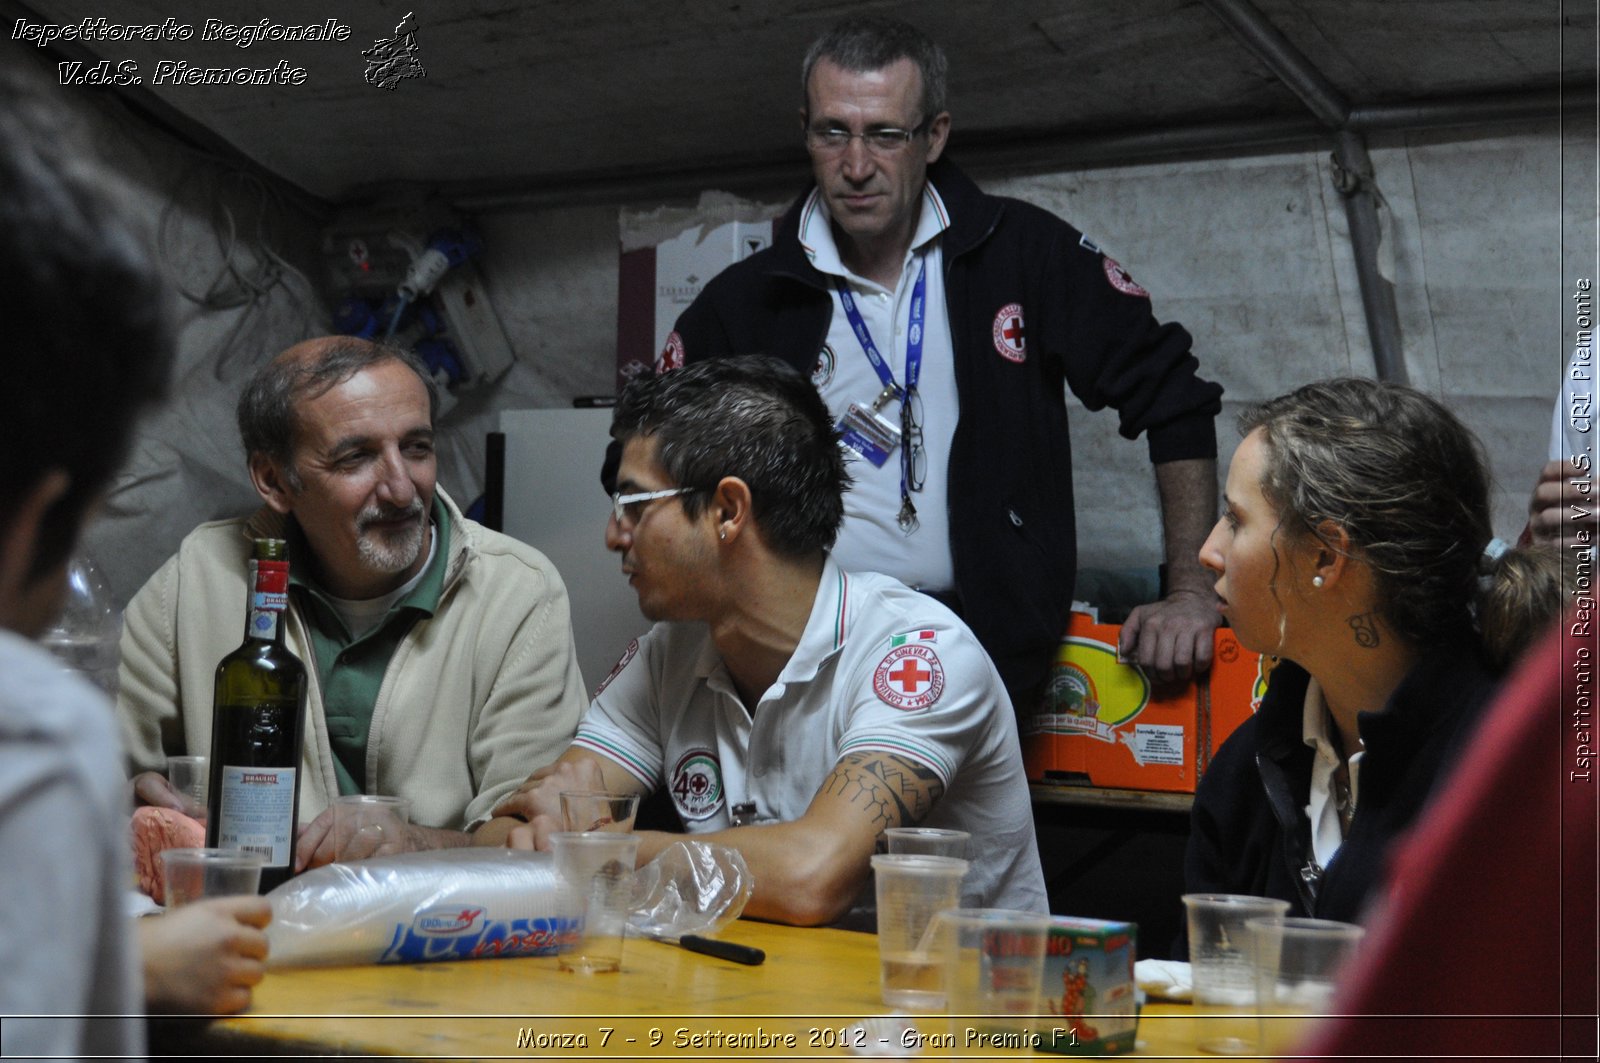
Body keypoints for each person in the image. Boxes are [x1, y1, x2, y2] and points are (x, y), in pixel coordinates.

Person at [647, 16, 1224, 709]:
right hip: (798, 665)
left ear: (935, 136)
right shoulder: (746, 300)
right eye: (834, 131)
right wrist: (722, 607)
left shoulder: (1024, 255)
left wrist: (1192, 592)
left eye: (886, 134)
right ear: (805, 130)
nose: (857, 165)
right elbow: (646, 465)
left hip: (989, 658)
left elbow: (1174, 396)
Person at [490, 356, 1047, 926]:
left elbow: (811, 877)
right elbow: (505, 834)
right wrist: (567, 837)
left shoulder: (920, 654)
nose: (614, 536)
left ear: (728, 510)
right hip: (766, 1001)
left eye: (632, 504)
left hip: (952, 1007)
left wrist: (602, 851)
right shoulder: (668, 656)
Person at [0, 59, 264, 1055]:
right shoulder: (30, 727)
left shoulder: (512, 579)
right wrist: (119, 963)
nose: (397, 482)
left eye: (417, 447)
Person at [117, 336, 588, 868]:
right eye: (356, 457)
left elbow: (541, 836)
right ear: (275, 481)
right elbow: (92, 781)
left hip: (442, 934)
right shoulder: (194, 583)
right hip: (245, 929)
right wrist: (131, 804)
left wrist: (414, 842)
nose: (401, 489)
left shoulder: (518, 594)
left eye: (417, 448)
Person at [1183, 378, 1565, 934]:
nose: (1208, 552)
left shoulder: (1508, 770)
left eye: (1236, 520)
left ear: (1327, 555)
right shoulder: (1249, 769)